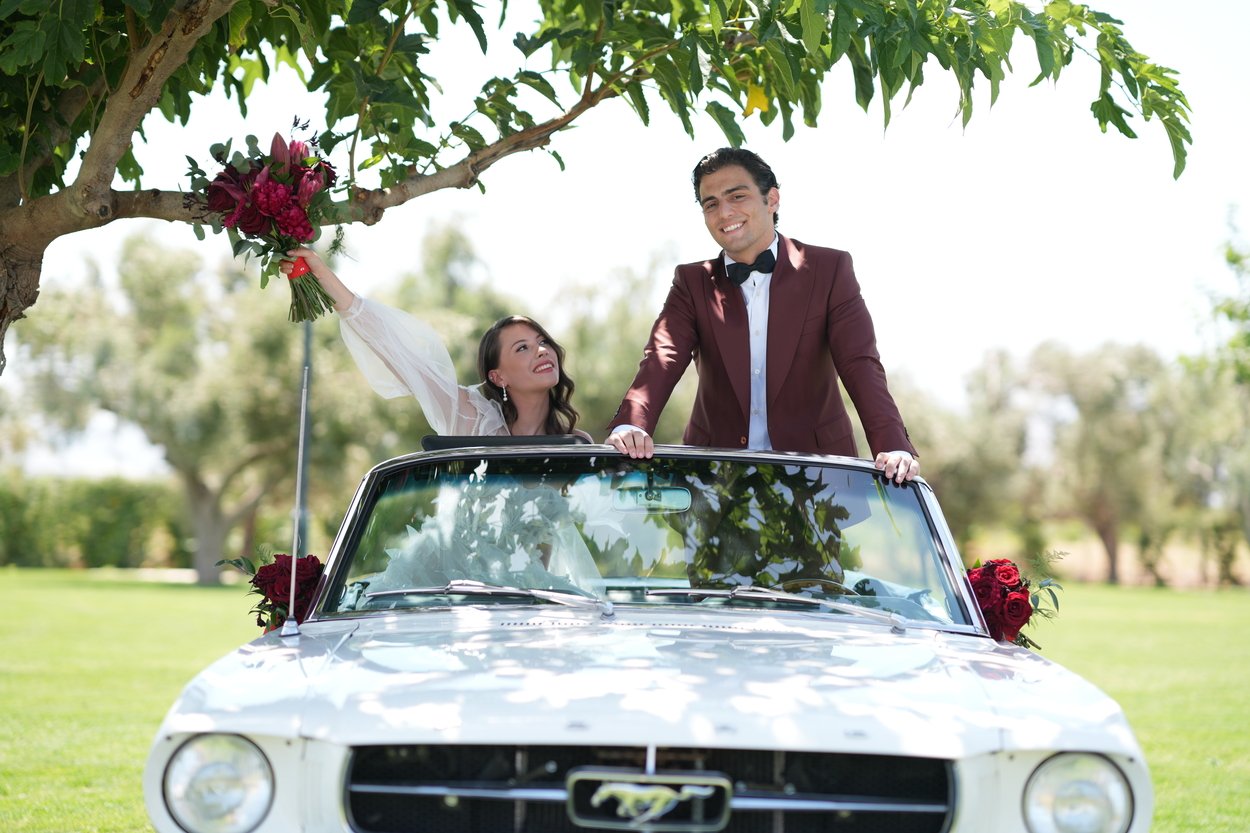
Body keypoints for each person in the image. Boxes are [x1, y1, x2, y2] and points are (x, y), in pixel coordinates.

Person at [606, 148, 920, 483]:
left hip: (820, 479)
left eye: (737, 196)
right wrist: (631, 424)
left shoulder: (829, 269)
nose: (724, 212)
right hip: (716, 479)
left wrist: (892, 444)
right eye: (710, 204)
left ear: (772, 199)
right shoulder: (691, 282)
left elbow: (860, 362)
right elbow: (662, 356)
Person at [281, 248, 591, 440]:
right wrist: (322, 274)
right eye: (522, 347)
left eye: (542, 341)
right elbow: (396, 351)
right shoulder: (472, 421)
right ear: (498, 377)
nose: (542, 350)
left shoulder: (579, 443)